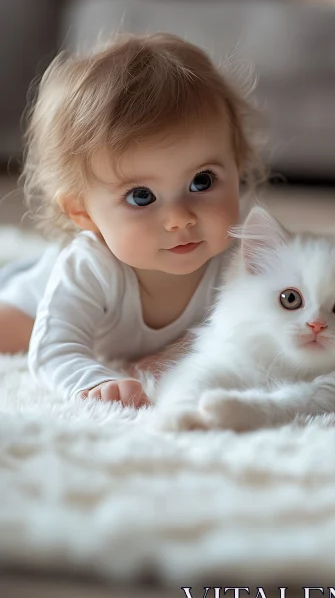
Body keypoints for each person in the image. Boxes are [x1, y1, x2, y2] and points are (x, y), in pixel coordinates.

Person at [0, 33, 266, 407]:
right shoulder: (90, 267)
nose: (179, 219)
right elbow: (54, 349)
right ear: (82, 212)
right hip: (40, 296)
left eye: (201, 181)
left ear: (237, 167)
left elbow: (251, 331)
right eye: (141, 196)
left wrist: (177, 353)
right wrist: (93, 381)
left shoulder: (239, 257)